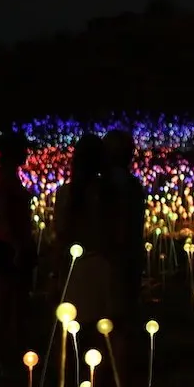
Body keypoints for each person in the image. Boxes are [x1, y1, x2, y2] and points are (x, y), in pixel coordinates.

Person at [0, 129, 36, 373]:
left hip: (15, 244)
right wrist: (17, 247)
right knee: (3, 300)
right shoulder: (5, 179)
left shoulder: (10, 177)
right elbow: (7, 215)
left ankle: (13, 354)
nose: (27, 153)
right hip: (8, 246)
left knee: (17, 302)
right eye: (24, 149)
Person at [52, 133, 114, 327]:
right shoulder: (108, 194)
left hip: (75, 268)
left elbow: (60, 233)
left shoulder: (66, 194)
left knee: (76, 328)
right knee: (103, 329)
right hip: (103, 263)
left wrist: (56, 271)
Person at [100, 129, 147, 328]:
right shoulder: (132, 186)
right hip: (126, 256)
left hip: (109, 256)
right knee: (122, 317)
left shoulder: (100, 186)